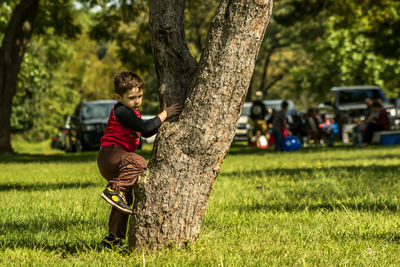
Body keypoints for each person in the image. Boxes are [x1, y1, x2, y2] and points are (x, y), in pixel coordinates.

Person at [97, 71, 181, 248]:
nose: (137, 101)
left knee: (125, 201)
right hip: (111, 155)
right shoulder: (122, 111)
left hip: (115, 158)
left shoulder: (130, 111)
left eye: (140, 96)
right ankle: (113, 189)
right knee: (139, 162)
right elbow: (146, 129)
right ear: (118, 97)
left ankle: (114, 238)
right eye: (132, 97)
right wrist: (165, 114)